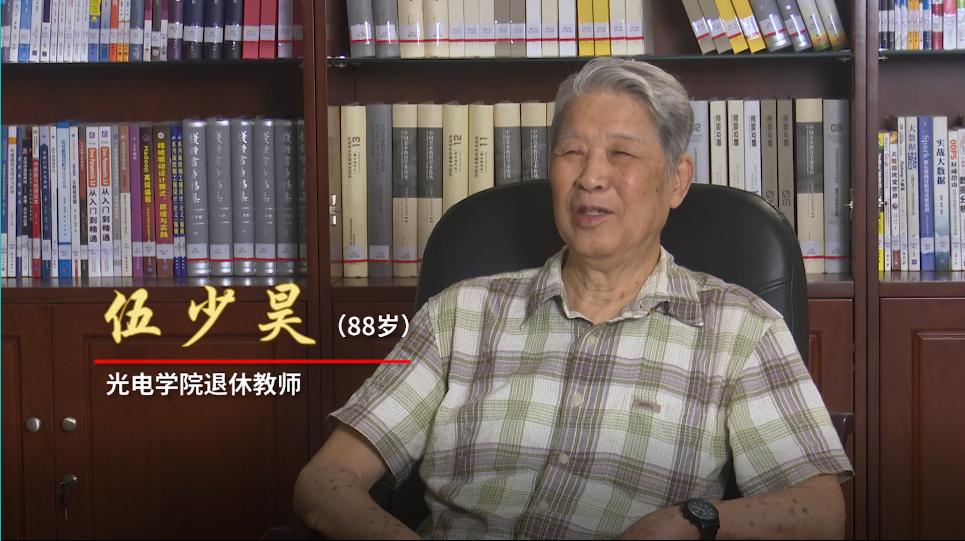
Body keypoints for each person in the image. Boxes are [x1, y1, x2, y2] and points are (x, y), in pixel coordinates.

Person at [294, 57, 853, 540]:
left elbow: (820, 510)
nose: (591, 178)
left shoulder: (741, 329)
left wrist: (689, 521)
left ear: (677, 180)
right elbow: (325, 480)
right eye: (571, 152)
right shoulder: (459, 315)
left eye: (622, 153)